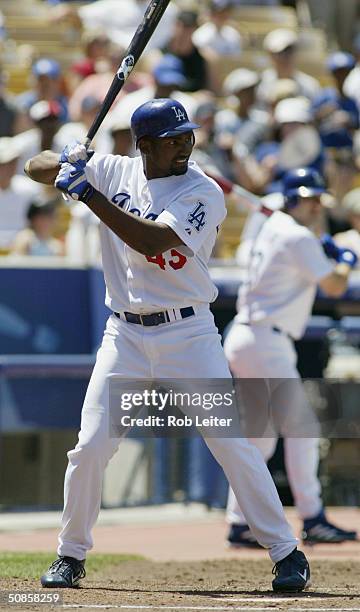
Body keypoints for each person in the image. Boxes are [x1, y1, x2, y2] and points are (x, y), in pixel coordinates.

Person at [26, 98, 310, 592]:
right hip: (125, 335)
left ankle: (286, 552)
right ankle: (70, 554)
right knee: (90, 447)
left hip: (189, 333)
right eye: (172, 140)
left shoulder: (202, 190)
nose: (183, 146)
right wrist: (66, 161)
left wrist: (88, 193)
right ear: (144, 147)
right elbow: (35, 167)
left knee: (231, 444)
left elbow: (153, 241)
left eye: (186, 137)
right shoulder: (114, 169)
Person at [223, 167, 358, 547]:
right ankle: (312, 517)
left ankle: (239, 521)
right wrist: (344, 260)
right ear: (295, 200)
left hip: (248, 336)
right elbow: (334, 284)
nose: (317, 207)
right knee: (303, 429)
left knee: (260, 439)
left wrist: (323, 249)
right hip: (265, 341)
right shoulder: (296, 235)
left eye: (318, 200)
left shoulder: (275, 228)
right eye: (310, 200)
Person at [257, 29, 320, 107]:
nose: (284, 57)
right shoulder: (260, 84)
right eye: (279, 53)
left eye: (289, 51)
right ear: (270, 55)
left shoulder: (310, 85)